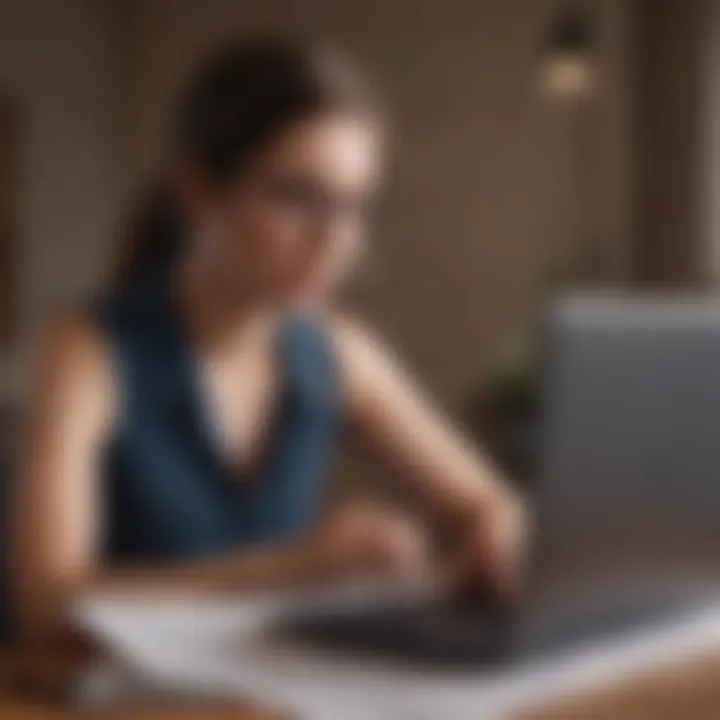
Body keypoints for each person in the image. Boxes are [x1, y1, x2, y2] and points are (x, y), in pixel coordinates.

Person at [16, 38, 525, 650]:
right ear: (198, 190)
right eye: (297, 197)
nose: (335, 242)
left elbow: (487, 501)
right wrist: (294, 569)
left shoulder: (337, 351)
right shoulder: (86, 352)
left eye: (355, 207)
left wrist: (493, 534)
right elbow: (47, 603)